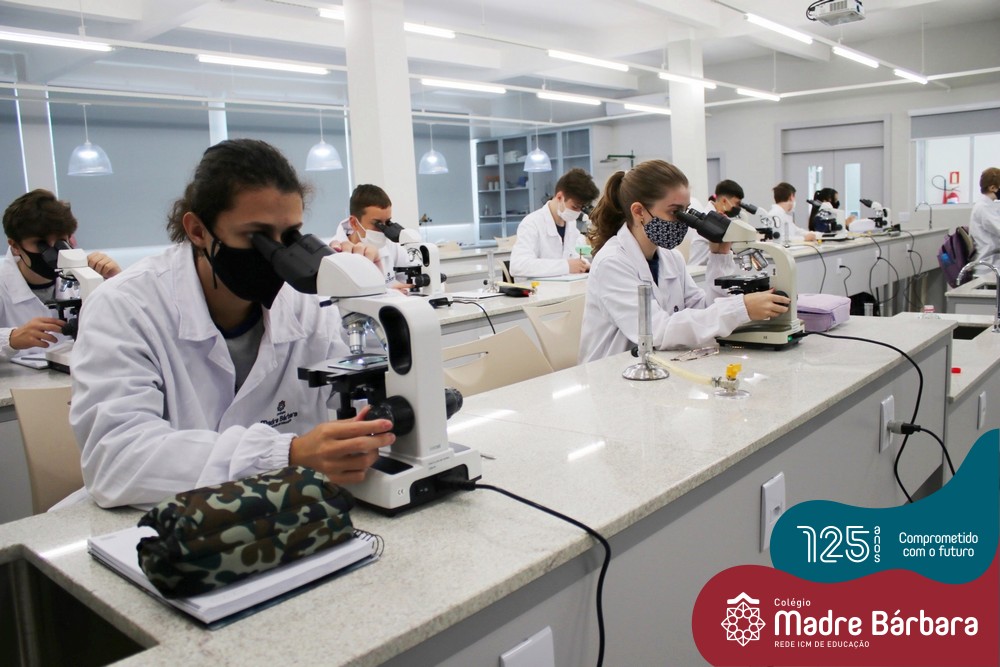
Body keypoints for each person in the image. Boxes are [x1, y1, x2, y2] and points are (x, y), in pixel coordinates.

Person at [70, 139, 395, 508]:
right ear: (198, 230)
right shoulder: (125, 306)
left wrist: (369, 295)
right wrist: (287, 454)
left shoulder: (308, 301)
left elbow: (377, 373)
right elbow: (116, 459)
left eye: (289, 236)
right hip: (157, 521)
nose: (276, 256)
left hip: (286, 510)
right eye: (256, 237)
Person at [579, 160, 790, 363]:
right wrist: (740, 309)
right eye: (674, 212)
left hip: (659, 366)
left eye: (686, 211)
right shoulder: (612, 262)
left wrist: (719, 257)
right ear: (639, 211)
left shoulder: (671, 257)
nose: (682, 222)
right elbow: (655, 332)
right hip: (613, 373)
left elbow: (703, 310)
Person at [1, 189, 120, 362]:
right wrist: (11, 339)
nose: (52, 252)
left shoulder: (88, 274)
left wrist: (118, 281)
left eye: (59, 241)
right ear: (15, 246)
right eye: (40, 243)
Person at [510, 168, 599, 279]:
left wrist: (584, 265)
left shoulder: (570, 224)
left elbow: (572, 255)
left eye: (581, 208)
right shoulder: (532, 223)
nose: (577, 212)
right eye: (574, 207)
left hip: (565, 286)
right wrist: (566, 266)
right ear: (559, 197)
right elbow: (518, 266)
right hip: (538, 288)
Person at [330, 184, 412, 294]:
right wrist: (389, 293)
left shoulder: (390, 245)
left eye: (387, 222)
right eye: (377, 224)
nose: (384, 230)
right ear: (354, 223)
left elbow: (409, 280)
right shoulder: (335, 251)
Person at [686, 179, 745, 266]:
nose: (738, 208)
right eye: (737, 203)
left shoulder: (720, 217)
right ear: (724, 201)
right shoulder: (707, 218)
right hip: (700, 270)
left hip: (712, 267)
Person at [968, 167, 1000, 271]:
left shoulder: (987, 205)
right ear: (993, 188)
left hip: (992, 259)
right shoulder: (984, 207)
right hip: (989, 265)